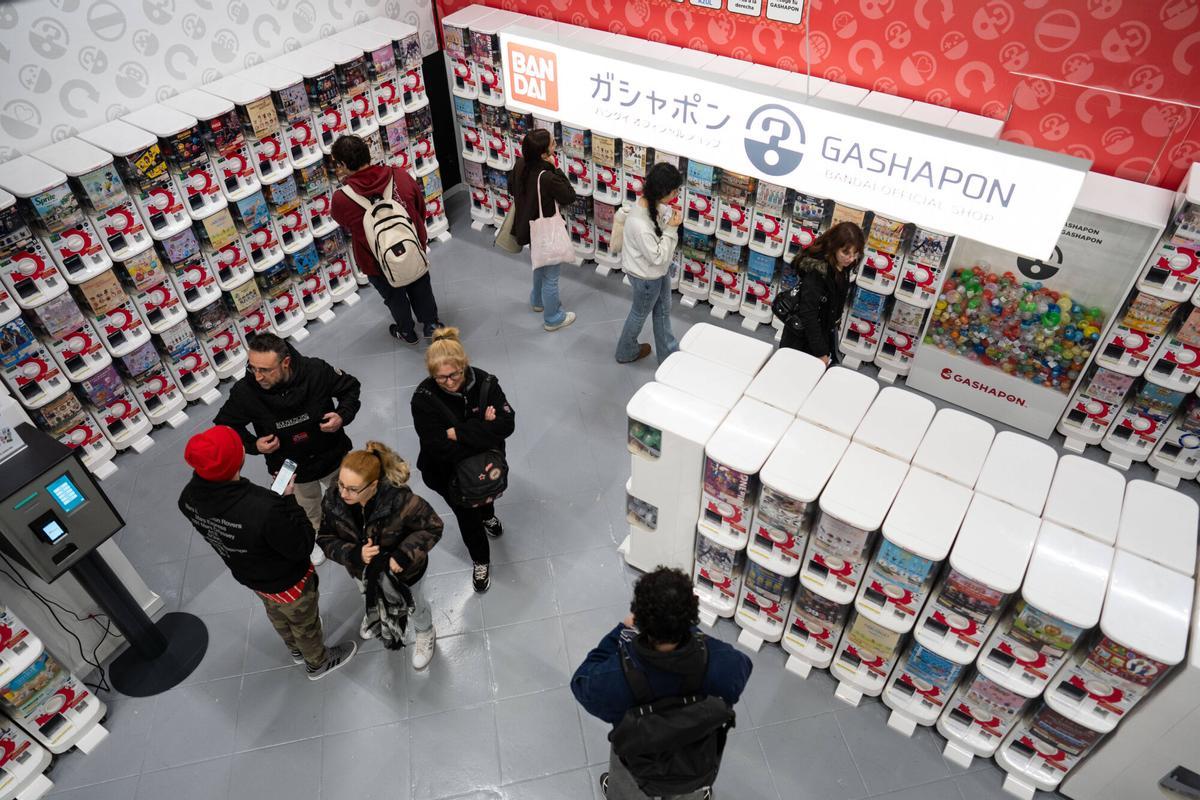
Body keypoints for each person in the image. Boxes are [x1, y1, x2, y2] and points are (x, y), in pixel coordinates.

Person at [178, 425, 356, 680]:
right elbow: (303, 545)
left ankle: (295, 649)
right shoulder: (264, 507)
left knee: (276, 612)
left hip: (249, 573)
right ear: (236, 460)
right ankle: (317, 661)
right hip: (287, 579)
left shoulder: (187, 499)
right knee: (305, 622)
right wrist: (287, 500)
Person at [571, 567, 753, 799]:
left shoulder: (612, 679)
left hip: (640, 758)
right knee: (689, 786)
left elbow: (581, 683)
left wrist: (620, 632)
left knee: (627, 782)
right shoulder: (725, 663)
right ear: (692, 613)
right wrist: (694, 635)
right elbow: (741, 674)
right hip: (694, 757)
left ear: (639, 618)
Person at [213, 332, 361, 567]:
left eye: (265, 370)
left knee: (349, 497)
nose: (258, 376)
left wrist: (342, 416)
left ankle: (355, 527)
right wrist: (253, 445)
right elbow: (225, 424)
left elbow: (350, 388)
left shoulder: (316, 371)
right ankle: (314, 540)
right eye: (253, 368)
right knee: (305, 509)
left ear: (286, 363)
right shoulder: (245, 392)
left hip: (331, 454)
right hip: (289, 468)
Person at [317, 441, 443, 669]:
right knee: (368, 595)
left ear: (373, 485)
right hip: (362, 571)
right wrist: (354, 553)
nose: (343, 492)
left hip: (405, 574)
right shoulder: (333, 499)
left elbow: (432, 527)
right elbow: (324, 537)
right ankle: (377, 613)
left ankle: (425, 631)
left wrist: (403, 555)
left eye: (352, 489)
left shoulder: (402, 500)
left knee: (414, 605)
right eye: (341, 484)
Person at [410, 328, 515, 592]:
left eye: (454, 374)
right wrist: (483, 429)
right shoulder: (423, 399)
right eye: (440, 377)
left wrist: (459, 433)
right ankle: (481, 560)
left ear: (463, 365)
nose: (448, 381)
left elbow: (507, 424)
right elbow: (437, 448)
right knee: (467, 515)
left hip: (485, 465)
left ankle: (488, 515)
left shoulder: (486, 383)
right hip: (446, 474)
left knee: (486, 493)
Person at [329, 133, 443, 344]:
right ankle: (431, 324)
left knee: (394, 296)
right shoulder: (398, 176)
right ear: (367, 154)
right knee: (421, 287)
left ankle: (407, 332)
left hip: (376, 261)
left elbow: (342, 221)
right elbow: (420, 206)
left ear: (343, 164)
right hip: (411, 247)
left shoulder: (342, 198)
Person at [614, 162, 684, 364]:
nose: (676, 194)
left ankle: (668, 354)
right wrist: (671, 229)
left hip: (655, 273)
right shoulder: (640, 224)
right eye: (674, 191)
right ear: (664, 191)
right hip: (646, 276)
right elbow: (658, 256)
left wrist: (667, 219)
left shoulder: (647, 204)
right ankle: (625, 351)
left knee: (662, 311)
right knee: (639, 313)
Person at [509, 128, 578, 332]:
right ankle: (553, 318)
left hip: (529, 227)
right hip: (547, 230)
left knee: (539, 263)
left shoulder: (520, 164)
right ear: (543, 153)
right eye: (552, 144)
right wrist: (555, 169)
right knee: (552, 276)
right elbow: (569, 196)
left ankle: (537, 300)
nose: (555, 144)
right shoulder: (547, 176)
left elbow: (511, 189)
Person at [776, 221, 865, 364]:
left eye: (856, 253)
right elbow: (808, 314)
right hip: (803, 337)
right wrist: (821, 352)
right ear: (834, 247)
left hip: (824, 329)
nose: (851, 258)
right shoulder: (817, 272)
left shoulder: (843, 265)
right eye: (846, 252)